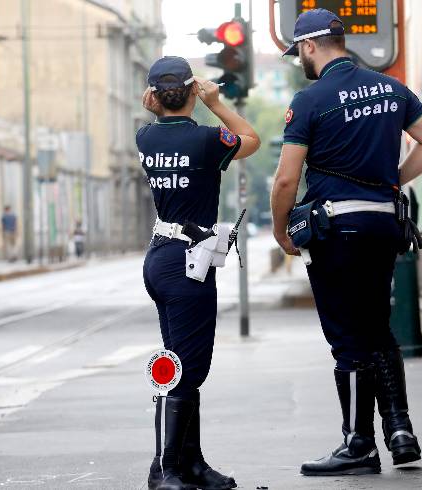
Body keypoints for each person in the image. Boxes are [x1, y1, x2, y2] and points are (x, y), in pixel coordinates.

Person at [270, 9, 422, 477]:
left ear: (310, 46)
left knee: (347, 337)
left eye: (299, 53)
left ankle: (358, 444)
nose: (299, 62)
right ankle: (400, 430)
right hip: (384, 225)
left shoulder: (310, 100)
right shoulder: (391, 89)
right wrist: (391, 182)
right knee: (377, 328)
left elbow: (287, 178)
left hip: (337, 232)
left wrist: (281, 228)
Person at [138, 56, 260, 490]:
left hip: (161, 257)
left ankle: (191, 465)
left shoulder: (145, 135)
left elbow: (160, 123)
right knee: (188, 370)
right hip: (188, 263)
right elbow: (251, 138)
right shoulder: (209, 140)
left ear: (152, 97)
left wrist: (165, 108)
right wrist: (216, 101)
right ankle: (164, 470)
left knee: (179, 364)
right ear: (193, 91)